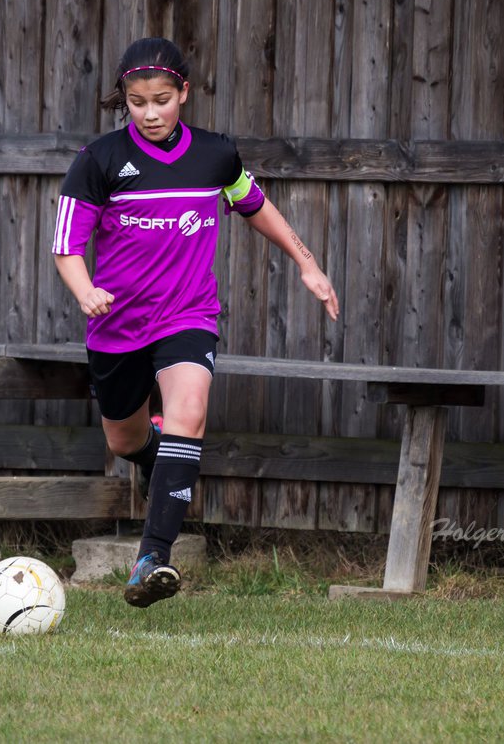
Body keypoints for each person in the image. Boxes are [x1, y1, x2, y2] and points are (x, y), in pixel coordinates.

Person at [53, 37, 339, 607]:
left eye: (162, 99)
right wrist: (85, 290)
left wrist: (307, 264)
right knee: (125, 437)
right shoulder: (99, 162)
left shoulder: (215, 155)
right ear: (124, 102)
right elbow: (66, 245)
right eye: (137, 102)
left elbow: (254, 204)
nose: (151, 112)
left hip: (187, 315)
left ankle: (151, 559)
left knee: (189, 411)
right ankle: (165, 460)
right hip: (116, 327)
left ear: (183, 92)